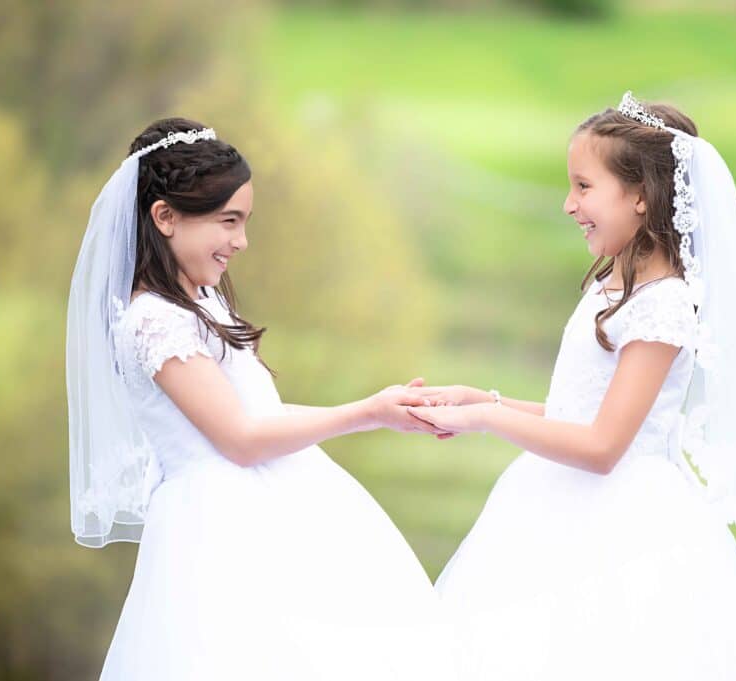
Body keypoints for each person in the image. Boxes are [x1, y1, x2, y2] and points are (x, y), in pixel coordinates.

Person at [408, 92, 736, 681]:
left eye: (583, 187)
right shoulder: (615, 284)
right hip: (551, 502)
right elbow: (578, 411)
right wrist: (484, 398)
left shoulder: (663, 305)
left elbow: (604, 447)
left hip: (620, 529)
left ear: (640, 195)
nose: (568, 204)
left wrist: (485, 422)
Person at [66, 117, 458, 680]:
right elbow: (241, 439)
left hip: (261, 511)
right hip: (220, 530)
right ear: (165, 217)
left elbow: (258, 416)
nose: (241, 241)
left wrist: (381, 409)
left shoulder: (199, 302)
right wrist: (366, 413)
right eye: (228, 221)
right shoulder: (154, 321)